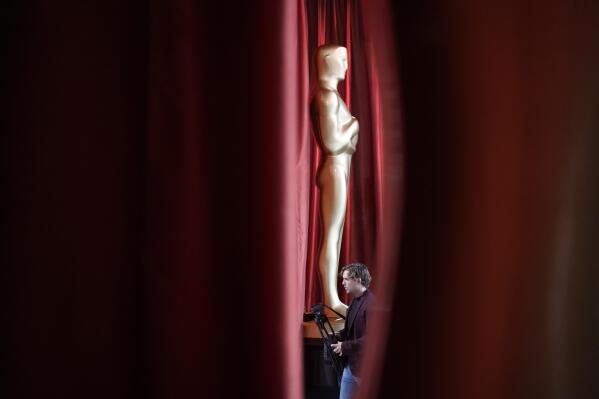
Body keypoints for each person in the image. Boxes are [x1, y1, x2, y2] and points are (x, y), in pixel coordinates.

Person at [310, 44, 360, 317]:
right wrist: (354, 123)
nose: (346, 65)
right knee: (331, 235)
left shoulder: (332, 96)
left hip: (340, 169)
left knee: (336, 234)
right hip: (334, 169)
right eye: (342, 59)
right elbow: (332, 141)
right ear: (327, 61)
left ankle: (333, 297)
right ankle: (330, 298)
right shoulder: (327, 97)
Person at [330, 263, 373, 399]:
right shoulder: (355, 301)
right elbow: (352, 330)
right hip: (350, 366)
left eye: (346, 279)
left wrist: (344, 345)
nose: (342, 283)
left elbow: (371, 340)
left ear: (358, 279)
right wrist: (339, 335)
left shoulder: (371, 304)